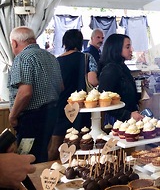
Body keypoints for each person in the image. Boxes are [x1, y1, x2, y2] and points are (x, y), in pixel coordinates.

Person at [8, 26, 63, 163]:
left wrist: (13, 115)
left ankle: (30, 185)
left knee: (26, 158)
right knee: (41, 155)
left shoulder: (23, 58)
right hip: (51, 115)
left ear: (14, 43)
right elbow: (61, 87)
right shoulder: (51, 57)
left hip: (31, 118)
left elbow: (25, 93)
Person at [48, 29, 99, 160]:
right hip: (81, 107)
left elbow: (54, 86)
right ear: (80, 42)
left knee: (55, 146)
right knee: (82, 144)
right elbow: (93, 81)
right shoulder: (87, 58)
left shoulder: (56, 61)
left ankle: (52, 172)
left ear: (65, 42)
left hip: (60, 107)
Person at [98, 34, 143, 122]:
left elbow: (128, 94)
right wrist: (127, 115)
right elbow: (104, 101)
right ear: (116, 49)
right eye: (127, 47)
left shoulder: (122, 67)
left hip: (129, 118)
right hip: (116, 121)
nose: (131, 50)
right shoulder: (110, 70)